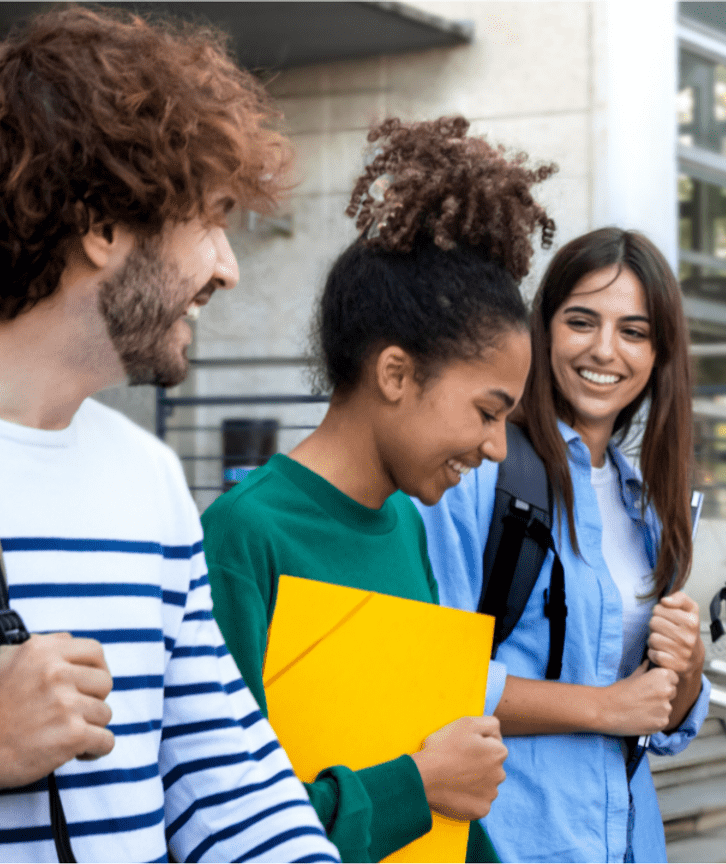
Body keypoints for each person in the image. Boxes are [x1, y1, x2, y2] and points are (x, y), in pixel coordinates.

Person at [0, 8, 342, 861]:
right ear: (103, 227)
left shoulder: (147, 476)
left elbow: (219, 771)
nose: (228, 266)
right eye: (211, 220)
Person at [200, 116, 556, 863]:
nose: (496, 448)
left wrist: (438, 787)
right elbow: (222, 822)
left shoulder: (404, 525)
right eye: (487, 412)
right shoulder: (243, 536)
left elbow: (445, 789)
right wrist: (416, 788)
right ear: (395, 374)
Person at [417, 228, 711, 862]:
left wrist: (686, 670)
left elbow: (660, 717)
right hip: (512, 837)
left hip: (627, 841)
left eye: (633, 332)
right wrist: (604, 709)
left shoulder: (646, 503)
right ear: (543, 328)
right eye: (582, 321)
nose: (605, 350)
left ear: (659, 353)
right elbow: (433, 677)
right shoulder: (481, 472)